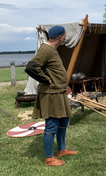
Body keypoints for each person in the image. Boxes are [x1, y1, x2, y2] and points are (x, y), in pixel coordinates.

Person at [25, 26, 78, 166]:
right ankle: (49, 158)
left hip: (58, 92)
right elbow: (31, 67)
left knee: (63, 121)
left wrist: (63, 85)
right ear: (60, 37)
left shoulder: (52, 50)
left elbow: (54, 70)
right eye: (65, 36)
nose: (66, 38)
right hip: (51, 94)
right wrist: (45, 79)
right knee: (52, 125)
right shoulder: (46, 49)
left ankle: (61, 150)